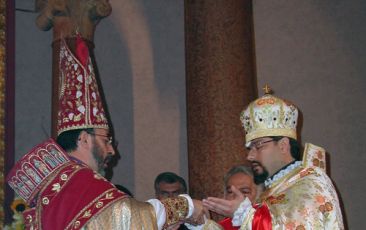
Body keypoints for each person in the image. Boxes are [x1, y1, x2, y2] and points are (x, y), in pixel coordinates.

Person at [7, 37, 205, 230]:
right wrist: (184, 205)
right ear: (84, 139)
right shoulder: (79, 181)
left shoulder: (58, 185)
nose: (112, 150)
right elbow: (125, 215)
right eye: (105, 140)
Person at [203, 87, 344, 229]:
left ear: (283, 145)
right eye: (249, 148)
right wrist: (200, 223)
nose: (250, 156)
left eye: (258, 145)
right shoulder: (269, 192)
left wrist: (245, 214)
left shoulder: (311, 182)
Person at [219, 165, 258, 230]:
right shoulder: (220, 227)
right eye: (230, 192)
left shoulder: (271, 223)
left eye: (245, 191)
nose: (236, 197)